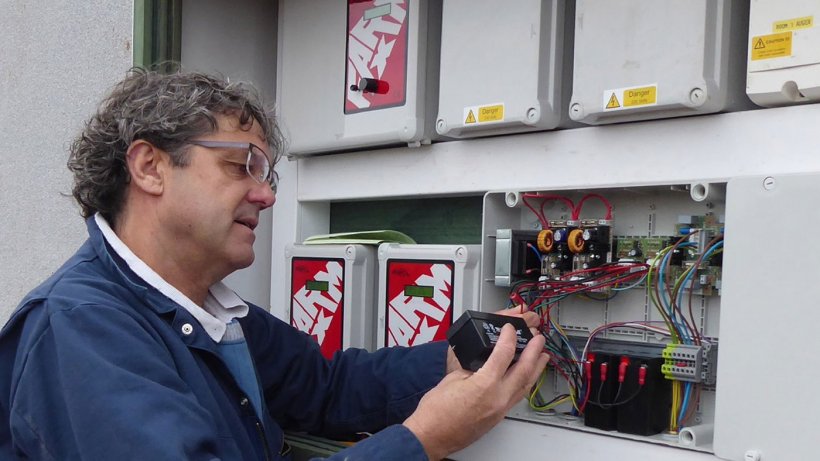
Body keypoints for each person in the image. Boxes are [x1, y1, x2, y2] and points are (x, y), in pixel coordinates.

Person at [0, 68, 549, 460]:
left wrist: (461, 359)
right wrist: (422, 441)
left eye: (268, 175)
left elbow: (327, 387)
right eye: (243, 166)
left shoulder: (207, 311)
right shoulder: (79, 330)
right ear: (150, 167)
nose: (266, 196)